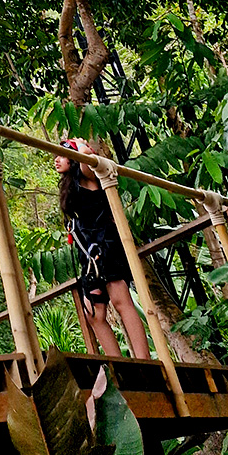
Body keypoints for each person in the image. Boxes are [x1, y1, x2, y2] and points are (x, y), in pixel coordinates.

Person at [55, 138, 151, 360]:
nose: (56, 160)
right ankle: (117, 364)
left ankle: (143, 361)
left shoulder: (87, 174)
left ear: (73, 158)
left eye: (62, 155)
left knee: (120, 300)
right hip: (88, 250)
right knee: (93, 313)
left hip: (105, 243)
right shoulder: (71, 183)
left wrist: (80, 145)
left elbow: (88, 158)